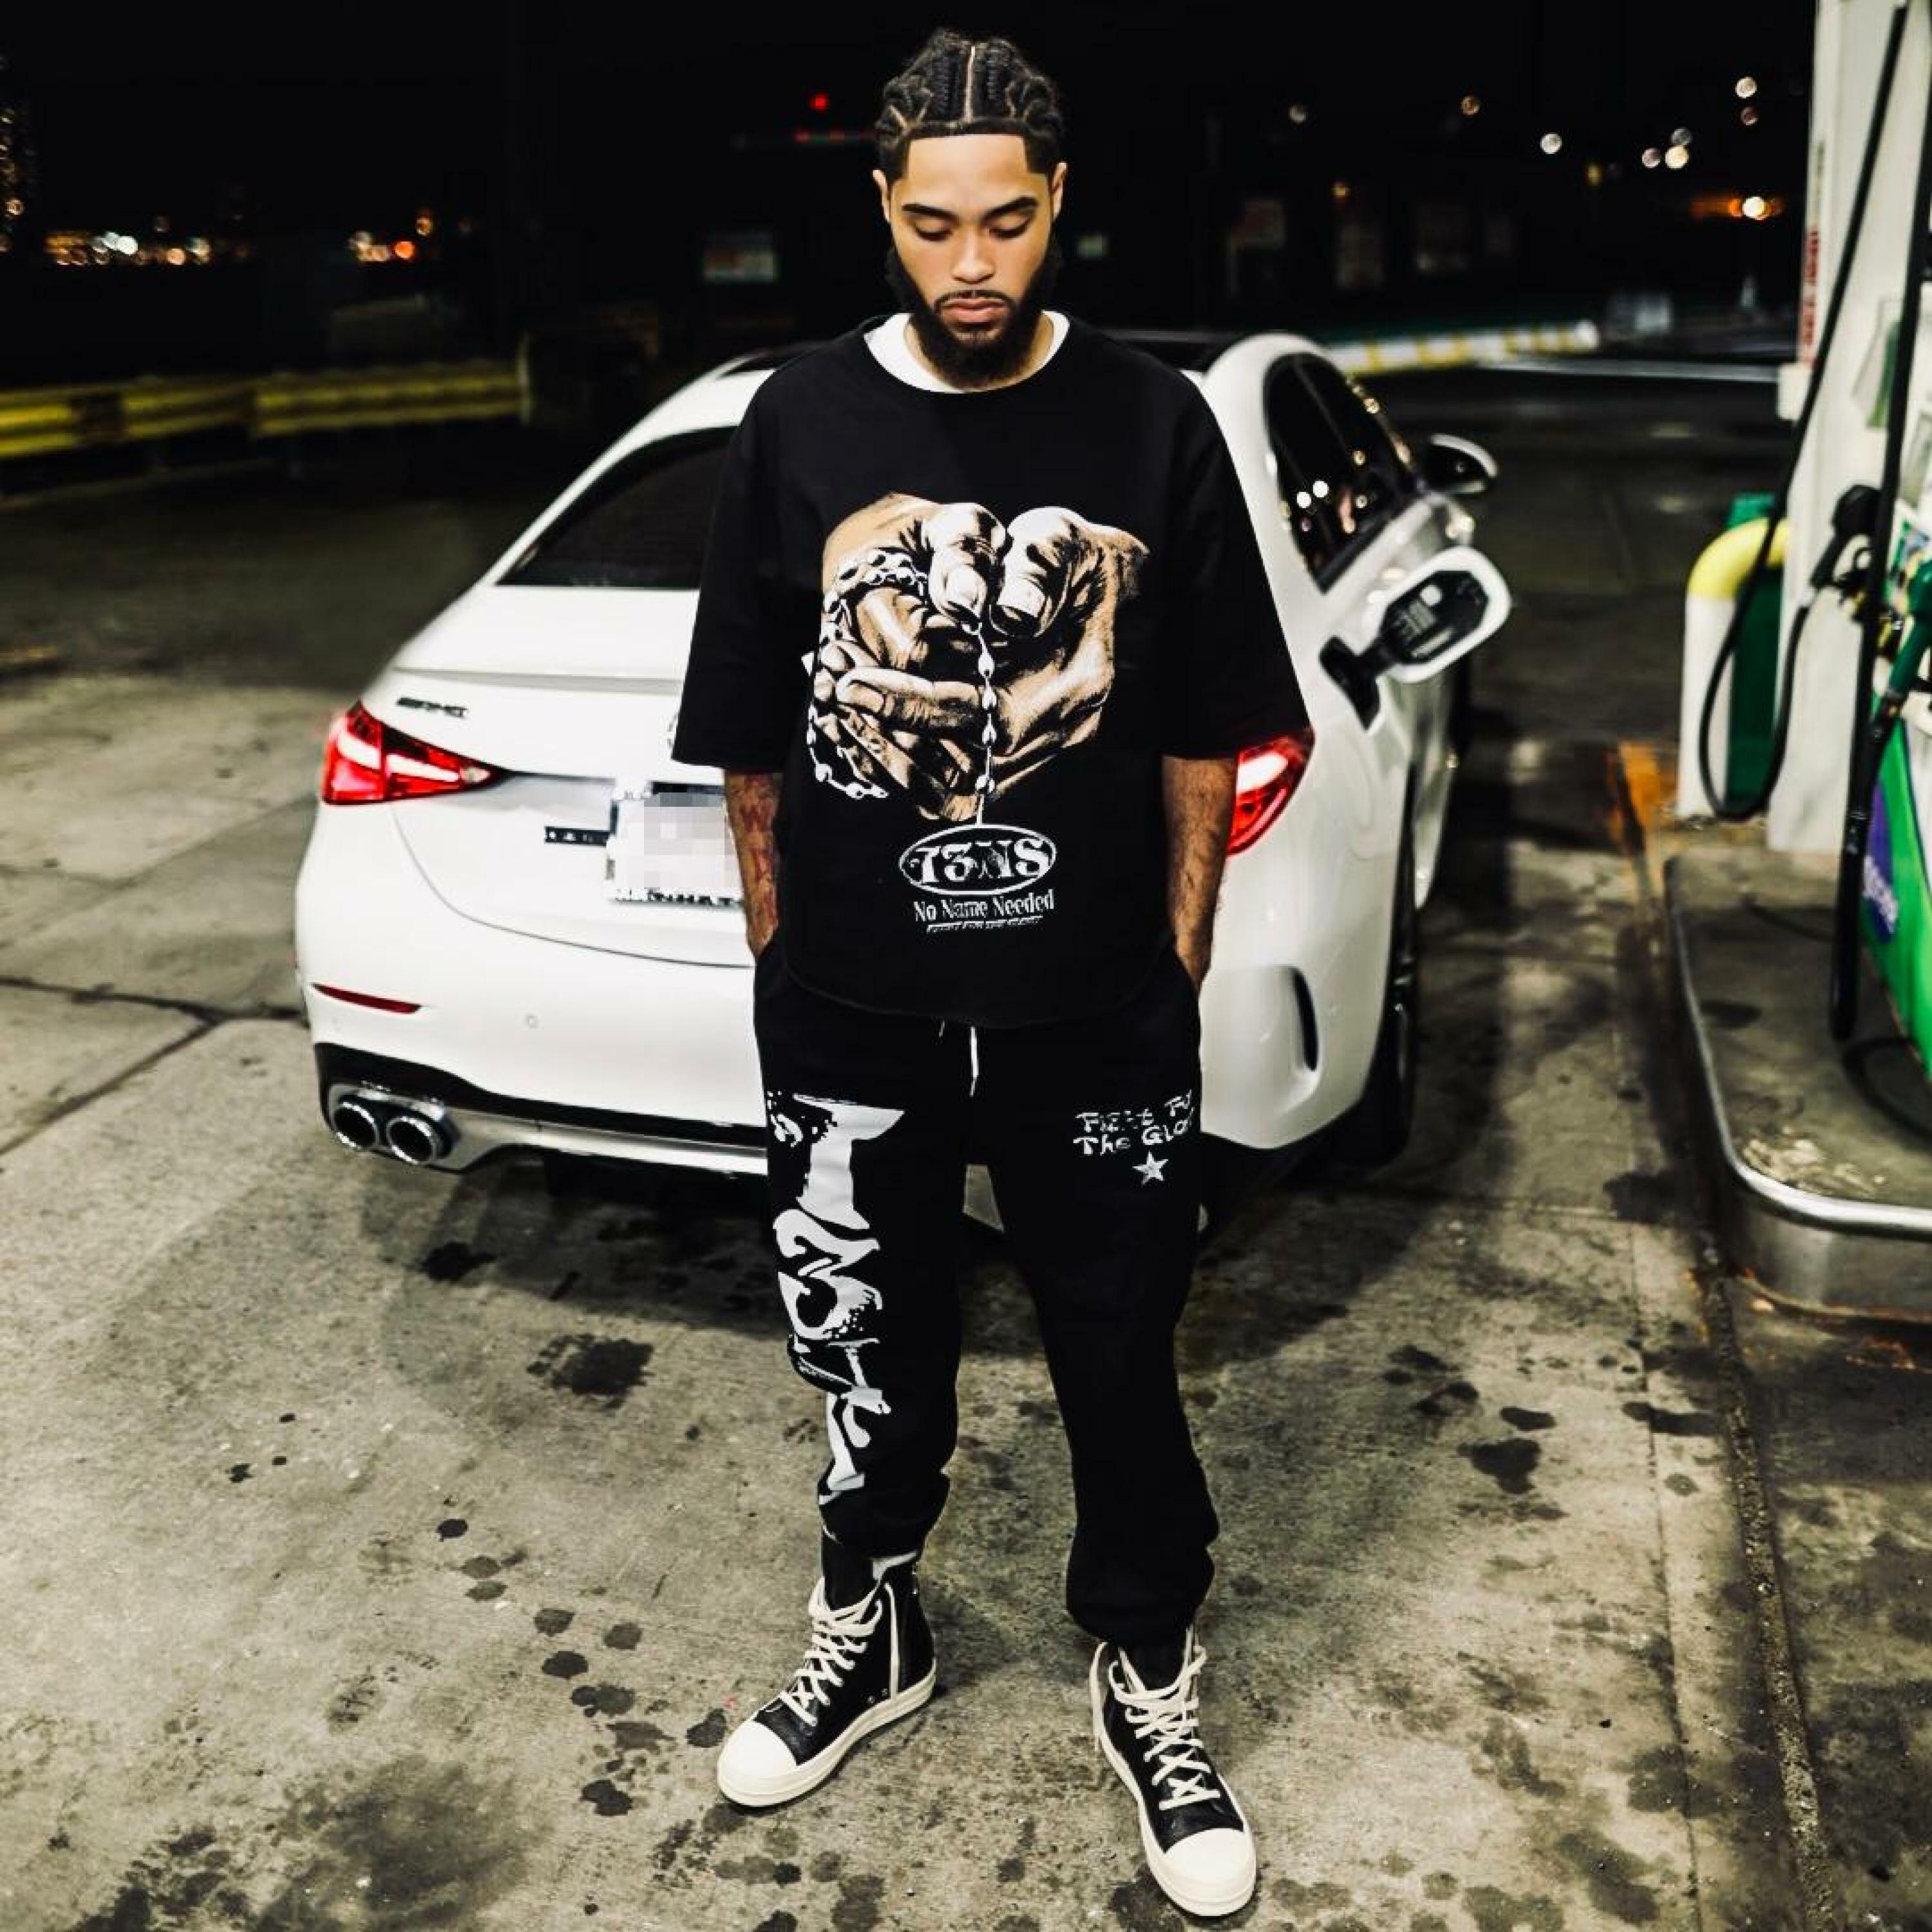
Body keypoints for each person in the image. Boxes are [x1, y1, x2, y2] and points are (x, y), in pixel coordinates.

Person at [668, 27, 1312, 1920]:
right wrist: (783, 950)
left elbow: (1201, 725)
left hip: (1096, 1005)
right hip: (852, 1005)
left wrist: (1174, 959)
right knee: (864, 1340)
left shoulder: (1151, 422)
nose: (973, 263)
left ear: (1057, 207)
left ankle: (1147, 1662)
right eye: (935, 224)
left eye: (1008, 223)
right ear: (882, 210)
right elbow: (748, 735)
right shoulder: (797, 421)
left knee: (1123, 1349)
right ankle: (872, 1623)